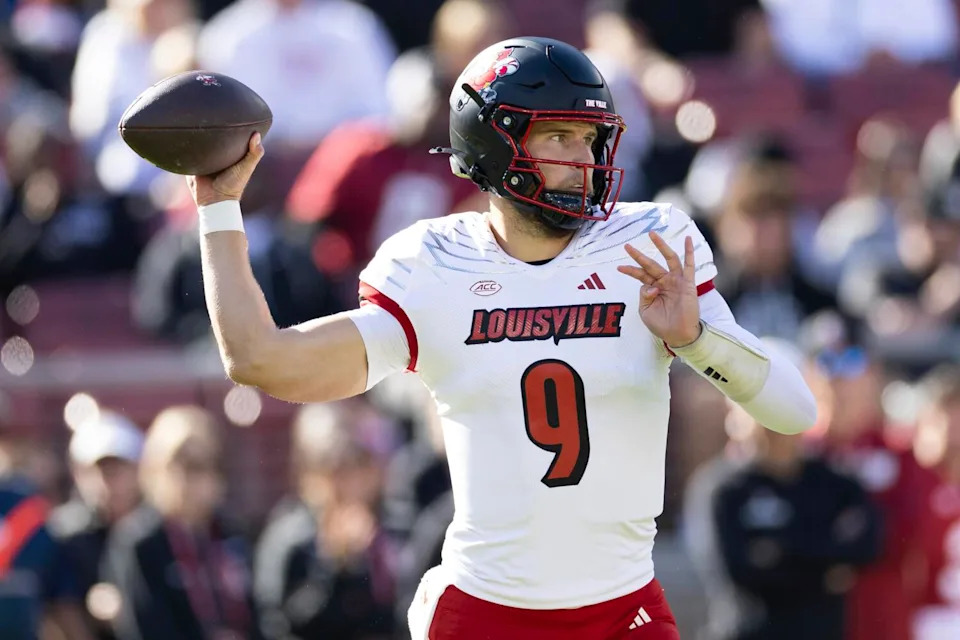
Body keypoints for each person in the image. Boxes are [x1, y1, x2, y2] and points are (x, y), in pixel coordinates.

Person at [188, 36, 817, 639]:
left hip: (623, 607)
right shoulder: (435, 265)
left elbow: (794, 412)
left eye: (592, 138)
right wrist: (219, 208)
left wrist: (699, 339)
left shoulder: (649, 245)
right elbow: (260, 360)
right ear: (493, 142)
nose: (585, 159)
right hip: (485, 613)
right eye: (559, 135)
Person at [685, 340, 881, 640]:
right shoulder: (721, 488)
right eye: (757, 404)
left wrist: (779, 550)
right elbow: (735, 571)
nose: (770, 420)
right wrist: (825, 563)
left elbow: (867, 548)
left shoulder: (837, 483)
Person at [106, 406, 261, 640]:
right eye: (178, 464)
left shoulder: (231, 534)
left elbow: (261, 614)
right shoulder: (140, 541)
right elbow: (144, 626)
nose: (188, 479)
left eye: (200, 465)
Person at [254, 401, 396, 640]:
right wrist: (334, 565)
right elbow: (277, 624)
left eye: (358, 463)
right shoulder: (288, 537)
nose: (349, 480)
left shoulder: (385, 527)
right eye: (332, 465)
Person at [50, 410, 144, 640]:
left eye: (116, 470)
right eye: (97, 471)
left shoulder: (159, 532)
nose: (107, 483)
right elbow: (60, 608)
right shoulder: (65, 535)